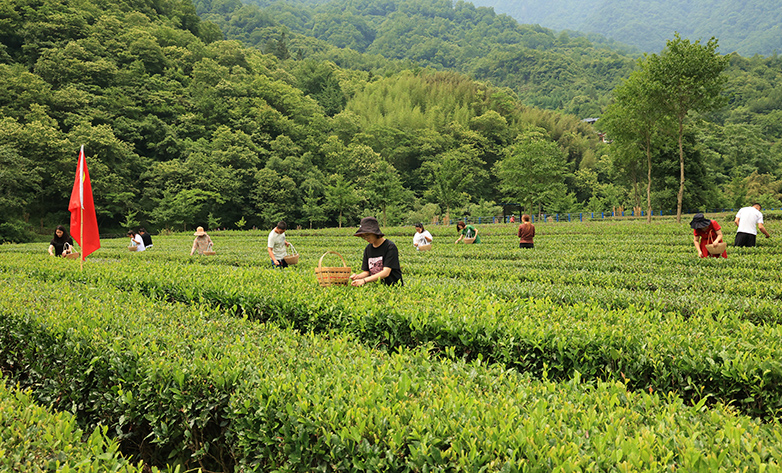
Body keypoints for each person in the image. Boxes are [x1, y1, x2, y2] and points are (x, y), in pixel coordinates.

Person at [350, 216, 403, 286]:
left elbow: (386, 272)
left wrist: (364, 280)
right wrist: (357, 277)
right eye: (363, 236)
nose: (366, 238)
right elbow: (367, 272)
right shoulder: (368, 249)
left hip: (393, 287)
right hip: (378, 287)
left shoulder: (390, 247)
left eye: (367, 235)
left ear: (375, 232)